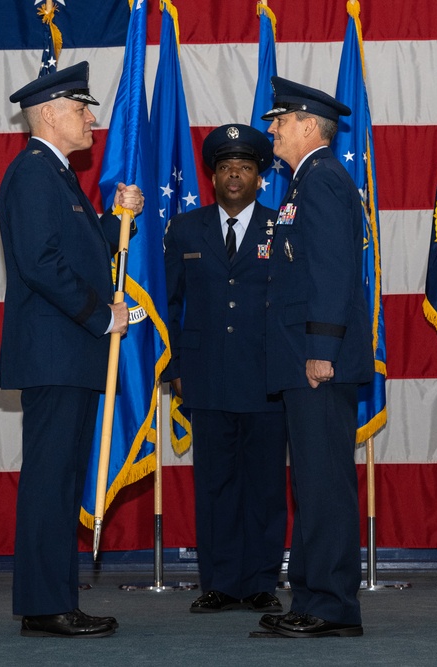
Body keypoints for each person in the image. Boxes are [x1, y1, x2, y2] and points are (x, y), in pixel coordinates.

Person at [0, 61, 145, 638]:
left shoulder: (54, 175)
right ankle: (44, 603)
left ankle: (52, 598)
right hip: (56, 352)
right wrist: (99, 314)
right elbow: (41, 264)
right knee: (50, 481)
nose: (89, 120)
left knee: (58, 481)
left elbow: (76, 245)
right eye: (81, 110)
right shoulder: (34, 174)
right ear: (51, 115)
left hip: (66, 353)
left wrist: (118, 220)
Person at [254, 77, 373, 639]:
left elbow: (332, 272)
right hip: (305, 358)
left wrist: (322, 350)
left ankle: (331, 605)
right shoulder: (306, 183)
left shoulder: (321, 181)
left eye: (279, 120)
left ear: (307, 124)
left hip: (317, 361)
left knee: (323, 482)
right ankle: (310, 594)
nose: (271, 129)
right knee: (311, 479)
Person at [162, 124, 288, 615]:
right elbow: (168, 304)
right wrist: (173, 363)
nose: (235, 174)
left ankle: (259, 582)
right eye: (226, 167)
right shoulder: (185, 229)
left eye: (246, 167)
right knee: (214, 485)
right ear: (212, 175)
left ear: (261, 177)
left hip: (266, 378)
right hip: (205, 375)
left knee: (263, 486)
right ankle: (217, 583)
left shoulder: (282, 227)